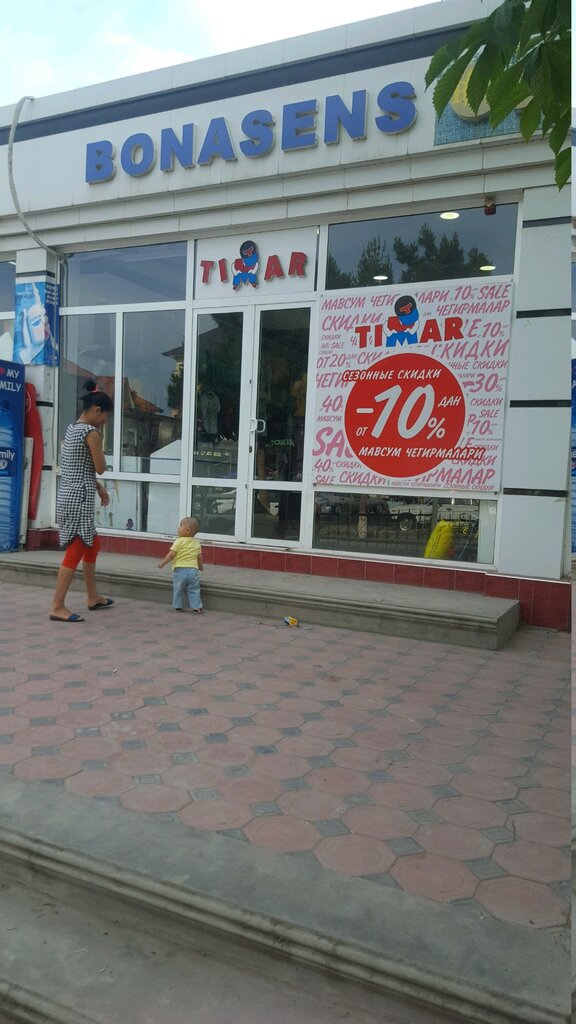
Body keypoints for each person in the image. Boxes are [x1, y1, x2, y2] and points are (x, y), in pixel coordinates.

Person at [49, 380, 114, 622]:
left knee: (92, 544)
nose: (106, 421)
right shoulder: (91, 433)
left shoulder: (72, 429)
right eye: (106, 416)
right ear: (97, 411)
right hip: (79, 499)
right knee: (76, 548)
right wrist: (100, 445)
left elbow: (77, 467)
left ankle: (93, 596)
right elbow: (100, 467)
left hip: (70, 495)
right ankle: (57, 606)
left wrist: (98, 488)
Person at [157, 516, 204, 613]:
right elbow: (199, 557)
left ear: (187, 530)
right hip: (193, 571)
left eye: (181, 526)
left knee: (178, 588)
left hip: (179, 570)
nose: (178, 528)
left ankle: (177, 606)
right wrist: (200, 567)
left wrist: (162, 563)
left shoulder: (178, 541)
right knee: (194, 588)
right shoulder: (197, 543)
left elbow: (171, 554)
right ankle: (196, 607)